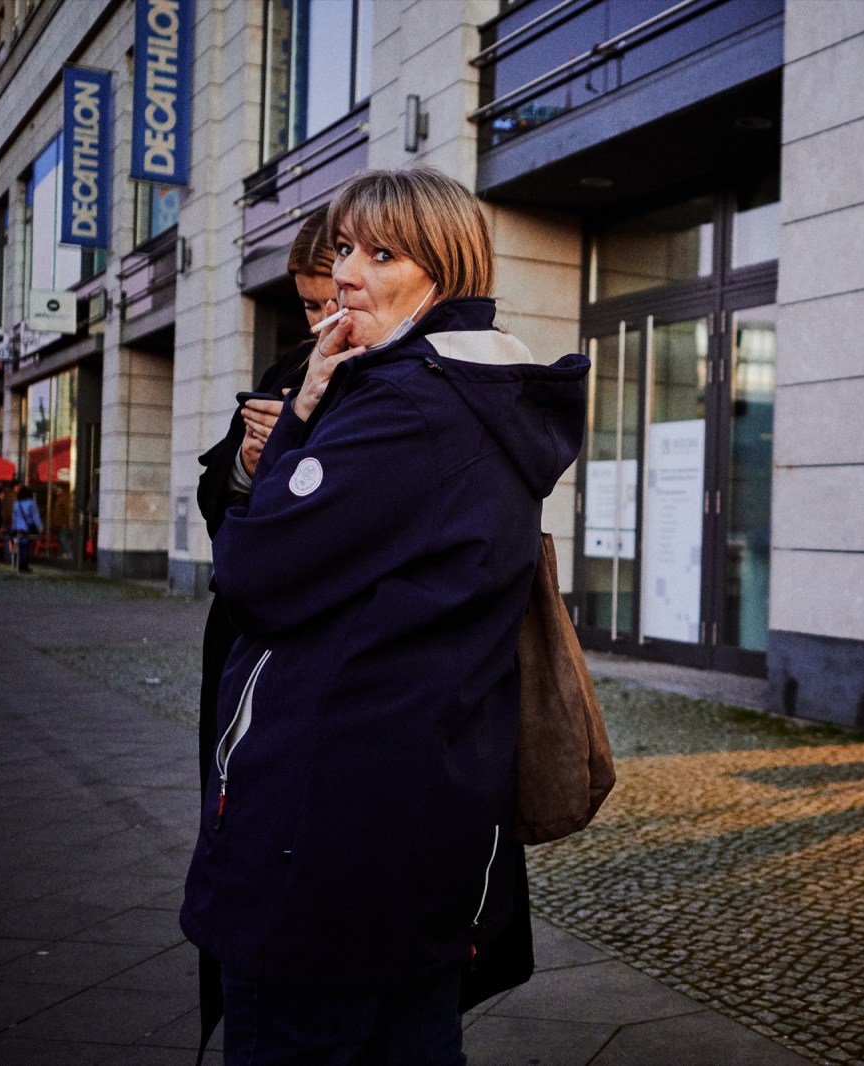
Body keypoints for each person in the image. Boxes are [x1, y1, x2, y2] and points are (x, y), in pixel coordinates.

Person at [181, 166, 589, 1064]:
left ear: (440, 273)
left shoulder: (408, 404)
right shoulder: (477, 395)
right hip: (420, 827)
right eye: (342, 249)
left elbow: (251, 570)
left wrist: (297, 424)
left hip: (320, 845)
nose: (346, 275)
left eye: (381, 253)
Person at [190, 206, 338, 1055]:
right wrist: (250, 462)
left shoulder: (397, 380)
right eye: (308, 304)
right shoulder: (290, 366)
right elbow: (228, 507)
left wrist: (285, 456)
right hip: (252, 657)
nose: (320, 320)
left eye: (330, 300)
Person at [8, 484, 41, 572]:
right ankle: (24, 565)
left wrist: (13, 527)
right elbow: (35, 516)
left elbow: (13, 517)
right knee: (26, 546)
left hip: (18, 527)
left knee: (20, 545)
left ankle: (19, 564)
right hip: (28, 527)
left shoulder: (16, 503)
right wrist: (39, 527)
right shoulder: (31, 502)